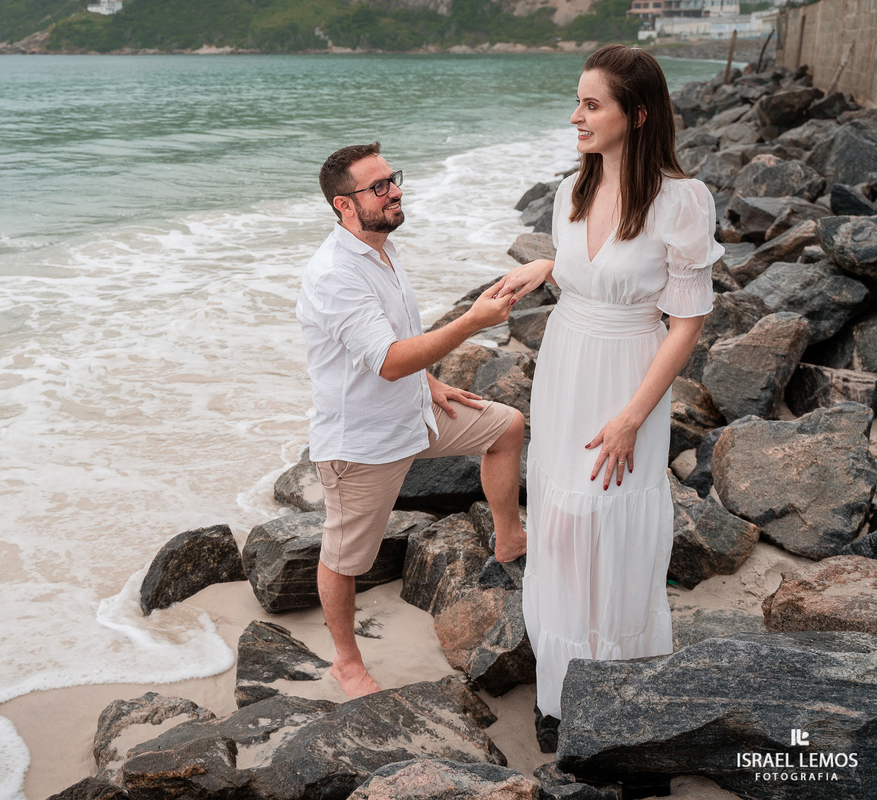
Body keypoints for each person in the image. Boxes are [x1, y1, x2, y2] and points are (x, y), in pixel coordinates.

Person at [496, 45, 725, 748]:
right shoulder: (572, 190)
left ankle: (614, 684)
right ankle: (560, 690)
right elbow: (588, 270)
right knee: (562, 523)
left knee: (612, 520)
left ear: (639, 114)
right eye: (577, 101)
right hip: (565, 363)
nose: (576, 116)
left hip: (629, 376)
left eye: (592, 104)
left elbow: (686, 324)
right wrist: (548, 265)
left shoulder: (682, 201)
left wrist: (631, 417)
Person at [296, 142, 527, 699]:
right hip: (363, 443)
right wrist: (471, 321)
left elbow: (398, 340)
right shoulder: (335, 274)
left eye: (393, 178)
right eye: (379, 186)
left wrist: (431, 382)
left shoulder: (382, 247)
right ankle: (347, 663)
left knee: (506, 425)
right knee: (344, 559)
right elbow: (389, 359)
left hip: (415, 411)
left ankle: (510, 542)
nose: (395, 191)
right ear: (344, 205)